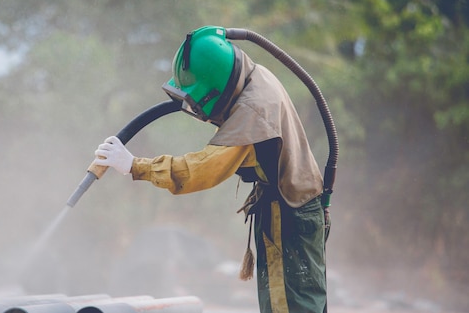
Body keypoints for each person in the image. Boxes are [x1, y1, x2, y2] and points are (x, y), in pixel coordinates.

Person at [93, 26, 328, 313]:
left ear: (217, 85)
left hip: (289, 218)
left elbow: (201, 170)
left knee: (288, 308)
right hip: (297, 209)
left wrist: (134, 165)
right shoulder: (255, 78)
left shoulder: (252, 112)